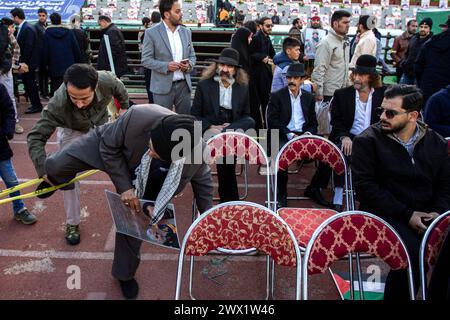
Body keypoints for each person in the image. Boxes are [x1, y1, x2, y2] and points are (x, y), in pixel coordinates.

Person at [42, 104, 213, 300]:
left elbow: (203, 183)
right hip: (113, 146)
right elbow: (107, 147)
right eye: (151, 146)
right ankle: (54, 178)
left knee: (133, 222)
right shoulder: (137, 115)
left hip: (152, 176)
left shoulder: (198, 151)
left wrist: (208, 219)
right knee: (57, 164)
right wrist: (125, 187)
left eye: (156, 153)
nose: (150, 153)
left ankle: (124, 274)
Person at [351, 84, 450, 300]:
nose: (383, 117)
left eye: (391, 113)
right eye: (381, 111)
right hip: (383, 214)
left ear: (413, 115)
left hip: (427, 214)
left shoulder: (436, 142)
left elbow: (445, 185)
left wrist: (437, 213)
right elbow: (366, 189)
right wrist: (407, 214)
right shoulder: (367, 141)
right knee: (414, 254)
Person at [27, 64, 129, 245]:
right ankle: (72, 223)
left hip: (102, 125)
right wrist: (44, 170)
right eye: (74, 98)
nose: (79, 103)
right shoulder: (57, 105)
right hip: (72, 131)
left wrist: (124, 109)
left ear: (96, 87)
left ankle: (133, 206)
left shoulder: (106, 79)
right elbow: (35, 136)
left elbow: (119, 88)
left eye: (84, 98)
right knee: (67, 180)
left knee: (125, 163)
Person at [191, 48, 254, 202]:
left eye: (230, 66)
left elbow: (246, 116)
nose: (225, 70)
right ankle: (230, 200)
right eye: (222, 65)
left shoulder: (242, 87)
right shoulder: (204, 85)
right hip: (210, 126)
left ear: (236, 70)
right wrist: (211, 127)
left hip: (231, 127)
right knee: (226, 155)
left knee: (250, 122)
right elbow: (193, 116)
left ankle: (228, 199)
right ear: (217, 66)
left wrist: (227, 129)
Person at [327, 55, 385, 211]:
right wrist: (344, 136)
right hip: (350, 135)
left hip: (374, 136)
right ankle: (339, 192)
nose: (357, 78)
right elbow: (336, 122)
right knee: (344, 150)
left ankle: (378, 192)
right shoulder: (342, 94)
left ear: (372, 77)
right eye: (355, 74)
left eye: (362, 75)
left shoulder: (383, 94)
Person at [308, 10, 351, 207]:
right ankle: (320, 185)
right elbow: (320, 69)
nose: (347, 25)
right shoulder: (326, 43)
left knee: (335, 141)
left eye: (348, 22)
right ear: (334, 23)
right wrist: (320, 95)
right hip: (328, 96)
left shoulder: (344, 42)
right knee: (332, 141)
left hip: (341, 94)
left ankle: (323, 185)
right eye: (344, 22)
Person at [267, 63, 318, 208]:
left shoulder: (308, 97)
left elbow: (313, 122)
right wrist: (289, 134)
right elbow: (272, 121)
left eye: (295, 78)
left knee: (329, 154)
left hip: (304, 135)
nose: (292, 81)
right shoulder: (277, 96)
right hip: (284, 134)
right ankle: (281, 194)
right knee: (281, 155)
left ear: (302, 79)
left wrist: (308, 134)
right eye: (289, 77)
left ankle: (315, 188)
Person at [141, 0, 196, 115]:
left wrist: (188, 65)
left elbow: (192, 56)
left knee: (185, 122)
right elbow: (146, 60)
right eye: (177, 11)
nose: (181, 14)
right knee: (162, 123)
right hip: (162, 88)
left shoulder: (186, 32)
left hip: (184, 87)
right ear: (167, 14)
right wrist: (166, 66)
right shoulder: (151, 33)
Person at [0, 82, 37, 225]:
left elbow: (9, 110)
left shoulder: (0, 89)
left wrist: (7, 131)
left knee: (12, 181)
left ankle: (19, 209)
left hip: (0, 148)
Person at [10, 7, 43, 114]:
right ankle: (35, 104)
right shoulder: (23, 27)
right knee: (28, 83)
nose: (12, 19)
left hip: (28, 63)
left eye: (12, 17)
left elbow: (28, 47)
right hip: (26, 62)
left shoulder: (27, 28)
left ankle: (36, 105)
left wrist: (23, 62)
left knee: (30, 84)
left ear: (16, 17)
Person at [42, 12, 81, 95]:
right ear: (60, 20)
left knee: (57, 91)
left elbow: (45, 52)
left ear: (51, 21)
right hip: (69, 66)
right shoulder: (69, 32)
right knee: (70, 89)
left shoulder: (47, 34)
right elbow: (76, 49)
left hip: (54, 66)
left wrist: (44, 65)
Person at [415, 16, 450, 105]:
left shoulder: (431, 41)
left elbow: (418, 65)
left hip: (428, 85)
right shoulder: (431, 41)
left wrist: (422, 83)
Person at [248, 16, 275, 129]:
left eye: (271, 26)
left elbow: (272, 53)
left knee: (265, 100)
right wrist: (262, 57)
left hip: (264, 73)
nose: (270, 28)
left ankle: (265, 126)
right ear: (260, 26)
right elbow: (250, 53)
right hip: (257, 74)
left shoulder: (267, 37)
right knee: (260, 101)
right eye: (268, 26)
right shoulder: (257, 38)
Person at [0, 17, 26, 134]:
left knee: (9, 96)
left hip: (4, 70)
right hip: (5, 69)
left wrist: (12, 64)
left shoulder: (5, 31)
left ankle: (14, 122)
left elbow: (16, 47)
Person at [400, 17, 432, 85]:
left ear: (429, 29)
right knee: (401, 92)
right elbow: (407, 53)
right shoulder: (414, 38)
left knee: (416, 94)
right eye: (421, 27)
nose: (423, 29)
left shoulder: (431, 41)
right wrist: (404, 62)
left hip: (420, 74)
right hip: (407, 72)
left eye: (426, 27)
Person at [139, 13, 161, 104]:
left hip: (149, 62)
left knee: (149, 84)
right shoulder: (164, 30)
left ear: (151, 19)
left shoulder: (147, 31)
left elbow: (142, 47)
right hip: (161, 62)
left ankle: (152, 103)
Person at [391, 19, 417, 83]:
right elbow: (392, 53)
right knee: (401, 89)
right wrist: (401, 62)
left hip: (413, 67)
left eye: (416, 26)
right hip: (401, 67)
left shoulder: (417, 39)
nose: (415, 28)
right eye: (413, 26)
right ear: (407, 26)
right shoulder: (398, 38)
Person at [35, 8, 49, 99]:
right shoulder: (37, 26)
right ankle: (43, 92)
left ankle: (46, 92)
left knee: (46, 75)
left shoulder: (46, 25)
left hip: (46, 54)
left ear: (46, 16)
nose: (41, 17)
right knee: (42, 75)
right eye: (40, 15)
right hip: (40, 55)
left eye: (43, 15)